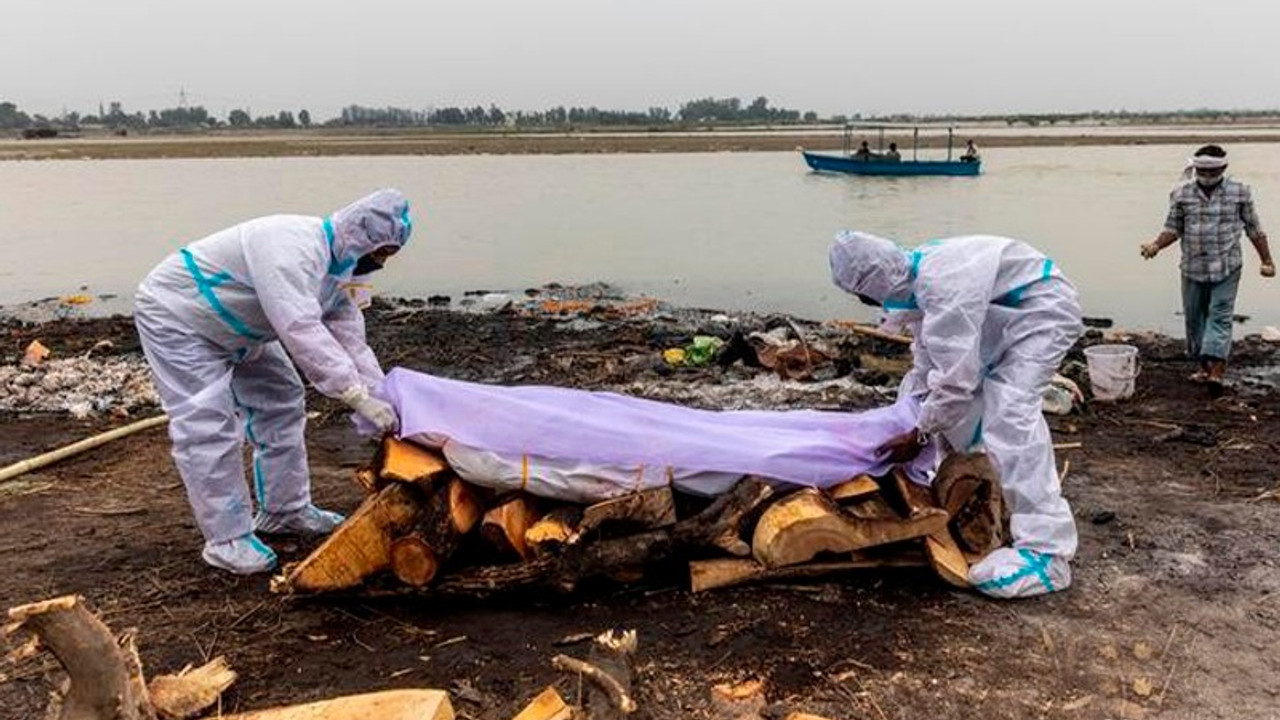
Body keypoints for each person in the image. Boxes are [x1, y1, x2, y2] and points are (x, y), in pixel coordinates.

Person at [134, 189, 413, 574]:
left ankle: (285, 510)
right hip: (181, 318)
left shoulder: (346, 268)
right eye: (380, 252)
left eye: (389, 256)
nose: (380, 263)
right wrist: (353, 394)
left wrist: (380, 393)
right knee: (207, 424)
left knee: (282, 396)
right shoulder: (292, 246)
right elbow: (299, 327)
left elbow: (349, 334)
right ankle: (227, 538)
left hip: (244, 327)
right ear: (360, 234)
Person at [829, 230, 1082, 599]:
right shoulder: (915, 282)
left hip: (1041, 311)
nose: (865, 301)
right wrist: (910, 415)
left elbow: (955, 381)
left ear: (875, 281)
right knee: (955, 402)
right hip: (1005, 312)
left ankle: (1048, 552)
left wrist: (918, 435)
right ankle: (976, 479)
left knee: (1010, 411)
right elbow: (928, 363)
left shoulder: (943, 284)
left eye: (862, 294)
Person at [1140, 145, 1274, 389]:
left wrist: (1267, 260)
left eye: (1213, 171)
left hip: (1227, 265)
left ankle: (1217, 370)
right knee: (1194, 317)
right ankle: (1203, 368)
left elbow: (1254, 228)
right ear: (1195, 168)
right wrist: (1155, 245)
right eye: (1202, 171)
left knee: (1220, 315)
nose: (1207, 176)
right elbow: (1173, 228)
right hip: (1192, 266)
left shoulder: (1240, 192)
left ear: (1224, 168)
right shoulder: (1181, 194)